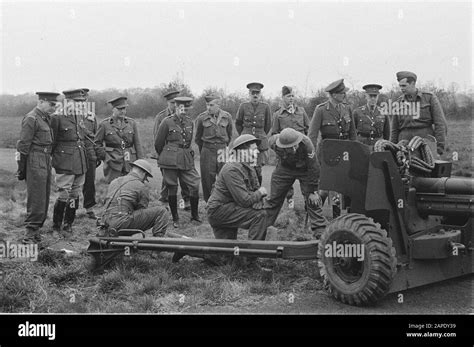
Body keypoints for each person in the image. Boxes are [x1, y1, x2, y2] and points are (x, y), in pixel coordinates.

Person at [266, 128, 327, 238]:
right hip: (284, 169)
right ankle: (263, 229)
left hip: (305, 170)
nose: (294, 148)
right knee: (273, 200)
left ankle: (320, 233)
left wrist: (313, 191)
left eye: (295, 145)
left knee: (313, 201)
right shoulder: (273, 142)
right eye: (290, 147)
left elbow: (314, 167)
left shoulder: (306, 143)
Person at [308, 79, 356, 217]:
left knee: (341, 187)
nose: (344, 95)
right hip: (327, 153)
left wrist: (354, 152)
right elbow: (312, 135)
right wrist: (311, 156)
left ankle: (337, 217)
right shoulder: (321, 110)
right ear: (334, 94)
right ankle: (314, 215)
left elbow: (352, 134)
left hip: (344, 152)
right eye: (342, 93)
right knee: (324, 188)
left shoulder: (347, 108)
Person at [207, 134, 268, 241]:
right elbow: (244, 200)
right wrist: (260, 193)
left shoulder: (248, 166)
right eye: (254, 149)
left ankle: (185, 248)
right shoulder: (232, 169)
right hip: (219, 211)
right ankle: (252, 255)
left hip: (230, 209)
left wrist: (259, 200)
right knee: (260, 215)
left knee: (225, 255)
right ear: (242, 151)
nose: (257, 152)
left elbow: (255, 189)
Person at [16, 91, 59, 243]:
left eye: (55, 105)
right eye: (51, 104)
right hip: (35, 159)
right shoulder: (31, 118)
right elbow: (23, 146)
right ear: (40, 102)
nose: (54, 108)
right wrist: (22, 169)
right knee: (36, 197)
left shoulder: (45, 118)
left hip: (45, 159)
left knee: (44, 196)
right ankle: (29, 234)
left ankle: (36, 231)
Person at [155, 96, 201, 227]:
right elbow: (158, 143)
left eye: (187, 109)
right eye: (182, 108)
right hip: (170, 159)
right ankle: (175, 218)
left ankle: (195, 215)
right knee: (172, 187)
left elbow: (189, 141)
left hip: (186, 158)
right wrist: (165, 155)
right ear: (176, 107)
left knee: (194, 184)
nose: (184, 111)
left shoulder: (189, 122)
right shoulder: (166, 122)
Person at [51, 89, 88, 233]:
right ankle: (56, 225)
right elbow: (52, 141)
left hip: (79, 159)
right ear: (67, 102)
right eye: (77, 101)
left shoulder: (79, 116)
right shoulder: (57, 117)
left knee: (75, 194)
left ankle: (68, 223)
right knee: (64, 194)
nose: (80, 104)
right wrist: (53, 160)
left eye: (82, 102)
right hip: (64, 160)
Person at [100, 159, 169, 236]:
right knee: (162, 211)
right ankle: (158, 242)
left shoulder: (115, 181)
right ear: (143, 173)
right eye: (146, 177)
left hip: (104, 224)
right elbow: (141, 211)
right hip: (120, 224)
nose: (144, 180)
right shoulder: (141, 186)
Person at [271, 85, 310, 208]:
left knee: (306, 179)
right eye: (288, 96)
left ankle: (307, 202)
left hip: (301, 153)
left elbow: (308, 129)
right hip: (286, 154)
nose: (291, 98)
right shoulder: (278, 114)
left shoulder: (301, 111)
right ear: (283, 98)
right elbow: (274, 134)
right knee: (286, 179)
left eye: (293, 96)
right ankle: (290, 201)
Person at [390, 71, 447, 155]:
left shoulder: (429, 98)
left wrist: (439, 148)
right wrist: (393, 149)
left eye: (404, 86)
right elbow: (394, 129)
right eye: (400, 86)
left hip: (426, 145)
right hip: (404, 147)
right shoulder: (398, 103)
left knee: (427, 167)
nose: (401, 88)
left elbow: (440, 124)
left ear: (413, 83)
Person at [153, 90, 190, 209]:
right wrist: (163, 154)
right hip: (167, 153)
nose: (174, 105)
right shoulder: (161, 117)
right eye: (172, 102)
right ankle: (164, 200)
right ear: (168, 103)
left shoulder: (183, 116)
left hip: (181, 153)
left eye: (176, 102)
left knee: (184, 178)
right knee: (167, 179)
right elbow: (157, 139)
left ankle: (186, 200)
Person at [94, 96, 144, 184]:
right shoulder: (104, 124)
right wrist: (105, 157)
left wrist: (140, 162)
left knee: (129, 186)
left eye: (124, 109)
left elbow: (137, 144)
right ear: (113, 109)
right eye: (119, 109)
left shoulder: (132, 123)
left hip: (130, 161)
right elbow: (97, 144)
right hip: (113, 162)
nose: (122, 111)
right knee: (113, 187)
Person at [195, 94, 233, 202]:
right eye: (207, 105)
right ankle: (209, 203)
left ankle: (224, 202)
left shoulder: (227, 117)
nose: (208, 107)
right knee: (207, 180)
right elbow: (198, 138)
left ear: (218, 105)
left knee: (224, 177)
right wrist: (205, 150)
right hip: (207, 150)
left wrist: (223, 146)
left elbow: (229, 135)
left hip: (222, 150)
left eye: (211, 105)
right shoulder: (202, 117)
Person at [235, 82, 272, 185]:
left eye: (257, 93)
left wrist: (261, 135)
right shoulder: (243, 106)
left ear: (260, 94)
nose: (255, 95)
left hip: (259, 144)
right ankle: (246, 191)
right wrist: (244, 136)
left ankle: (258, 191)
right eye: (253, 93)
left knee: (258, 169)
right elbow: (238, 123)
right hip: (246, 142)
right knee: (245, 167)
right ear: (249, 94)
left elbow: (268, 125)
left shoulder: (265, 107)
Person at [80, 88, 100, 219]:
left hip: (89, 151)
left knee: (89, 181)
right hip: (73, 152)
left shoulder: (91, 117)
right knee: (72, 182)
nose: (81, 103)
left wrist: (97, 154)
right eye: (78, 101)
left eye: (84, 100)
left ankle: (89, 207)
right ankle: (69, 207)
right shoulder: (65, 116)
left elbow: (96, 138)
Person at [353, 84, 390, 150]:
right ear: (366, 96)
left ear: (378, 96)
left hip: (378, 146)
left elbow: (387, 134)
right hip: (362, 145)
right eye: (370, 96)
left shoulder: (384, 113)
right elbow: (352, 132)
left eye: (375, 96)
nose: (373, 98)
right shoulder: (357, 112)